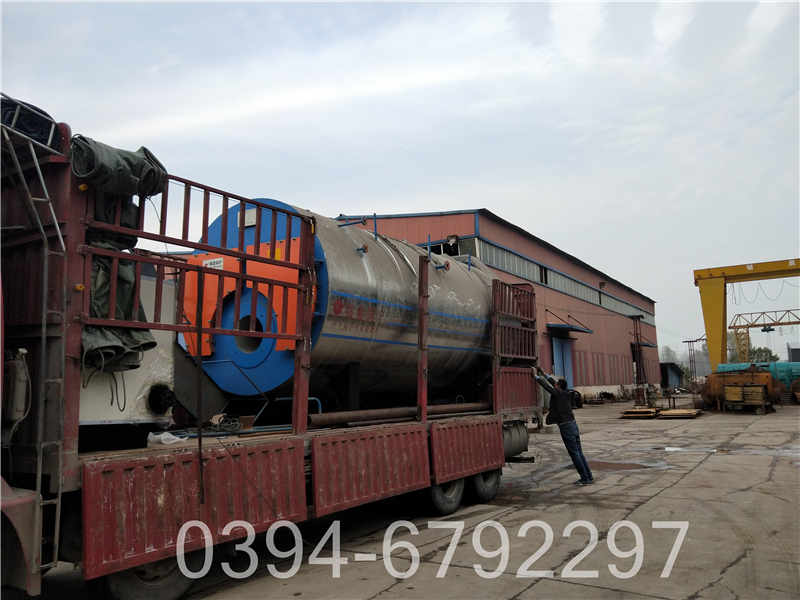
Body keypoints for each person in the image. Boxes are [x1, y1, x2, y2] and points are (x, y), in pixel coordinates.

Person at [535, 366, 594, 485]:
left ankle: (584, 478)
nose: (554, 385)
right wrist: (543, 373)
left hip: (566, 427)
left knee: (574, 454)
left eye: (556, 385)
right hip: (573, 424)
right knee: (579, 452)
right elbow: (552, 383)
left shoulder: (557, 393)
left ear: (558, 387)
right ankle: (589, 476)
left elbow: (547, 386)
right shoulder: (566, 392)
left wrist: (536, 377)